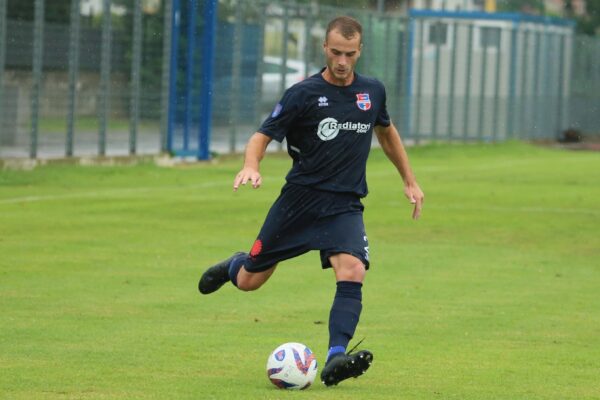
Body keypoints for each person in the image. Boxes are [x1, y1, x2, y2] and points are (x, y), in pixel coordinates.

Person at [198, 15, 424, 387]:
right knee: (251, 280)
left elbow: (386, 132)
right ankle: (233, 266)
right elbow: (261, 136)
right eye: (335, 52)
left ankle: (336, 357)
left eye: (349, 54)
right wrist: (251, 166)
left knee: (353, 269)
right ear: (324, 47)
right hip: (298, 203)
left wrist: (410, 180)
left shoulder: (373, 91)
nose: (342, 61)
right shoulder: (302, 94)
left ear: (359, 51)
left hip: (344, 204)